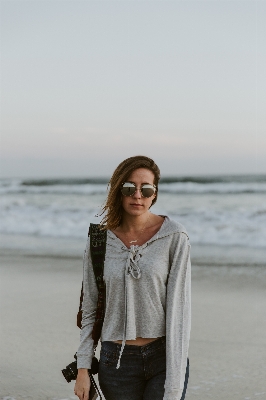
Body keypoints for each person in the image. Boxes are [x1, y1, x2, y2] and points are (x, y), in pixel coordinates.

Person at [74, 155, 191, 400]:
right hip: (115, 363)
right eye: (129, 188)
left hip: (164, 358)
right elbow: (89, 308)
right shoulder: (99, 240)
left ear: (154, 194)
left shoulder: (175, 237)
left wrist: (174, 384)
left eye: (146, 189)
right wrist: (83, 367)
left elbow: (180, 312)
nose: (138, 195)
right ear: (118, 190)